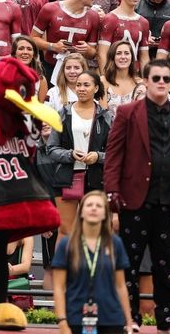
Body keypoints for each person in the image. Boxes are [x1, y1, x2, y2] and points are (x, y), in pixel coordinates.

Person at [104, 58, 170, 332]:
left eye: (165, 78)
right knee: (130, 265)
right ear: (145, 81)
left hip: (169, 202)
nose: (161, 82)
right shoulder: (126, 112)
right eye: (155, 78)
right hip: (133, 201)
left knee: (166, 267)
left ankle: (166, 321)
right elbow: (113, 157)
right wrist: (112, 193)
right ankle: (130, 319)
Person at [52, 190, 134, 334]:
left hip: (111, 319)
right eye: (89, 205)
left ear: (105, 214)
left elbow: (121, 286)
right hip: (76, 318)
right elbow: (59, 287)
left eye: (99, 205)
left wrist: (128, 321)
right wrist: (62, 322)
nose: (94, 208)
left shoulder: (115, 243)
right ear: (81, 211)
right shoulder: (66, 245)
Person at [46, 70, 112, 238]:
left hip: (96, 178)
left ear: (96, 88)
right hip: (66, 177)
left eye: (86, 85)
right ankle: (61, 265)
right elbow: (51, 148)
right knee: (66, 230)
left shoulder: (107, 117)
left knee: (95, 230)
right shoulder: (63, 112)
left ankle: (92, 264)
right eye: (78, 85)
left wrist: (98, 156)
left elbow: (115, 153)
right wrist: (70, 154)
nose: (81, 88)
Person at [31, 0, 101, 82]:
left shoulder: (93, 16)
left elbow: (92, 52)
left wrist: (87, 50)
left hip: (77, 71)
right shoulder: (50, 9)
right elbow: (33, 39)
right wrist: (52, 46)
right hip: (50, 67)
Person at [98, 0, 150, 72]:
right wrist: (105, 79)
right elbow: (102, 54)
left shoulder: (143, 22)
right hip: (113, 75)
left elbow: (144, 57)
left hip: (135, 77)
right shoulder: (110, 19)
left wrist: (146, 81)